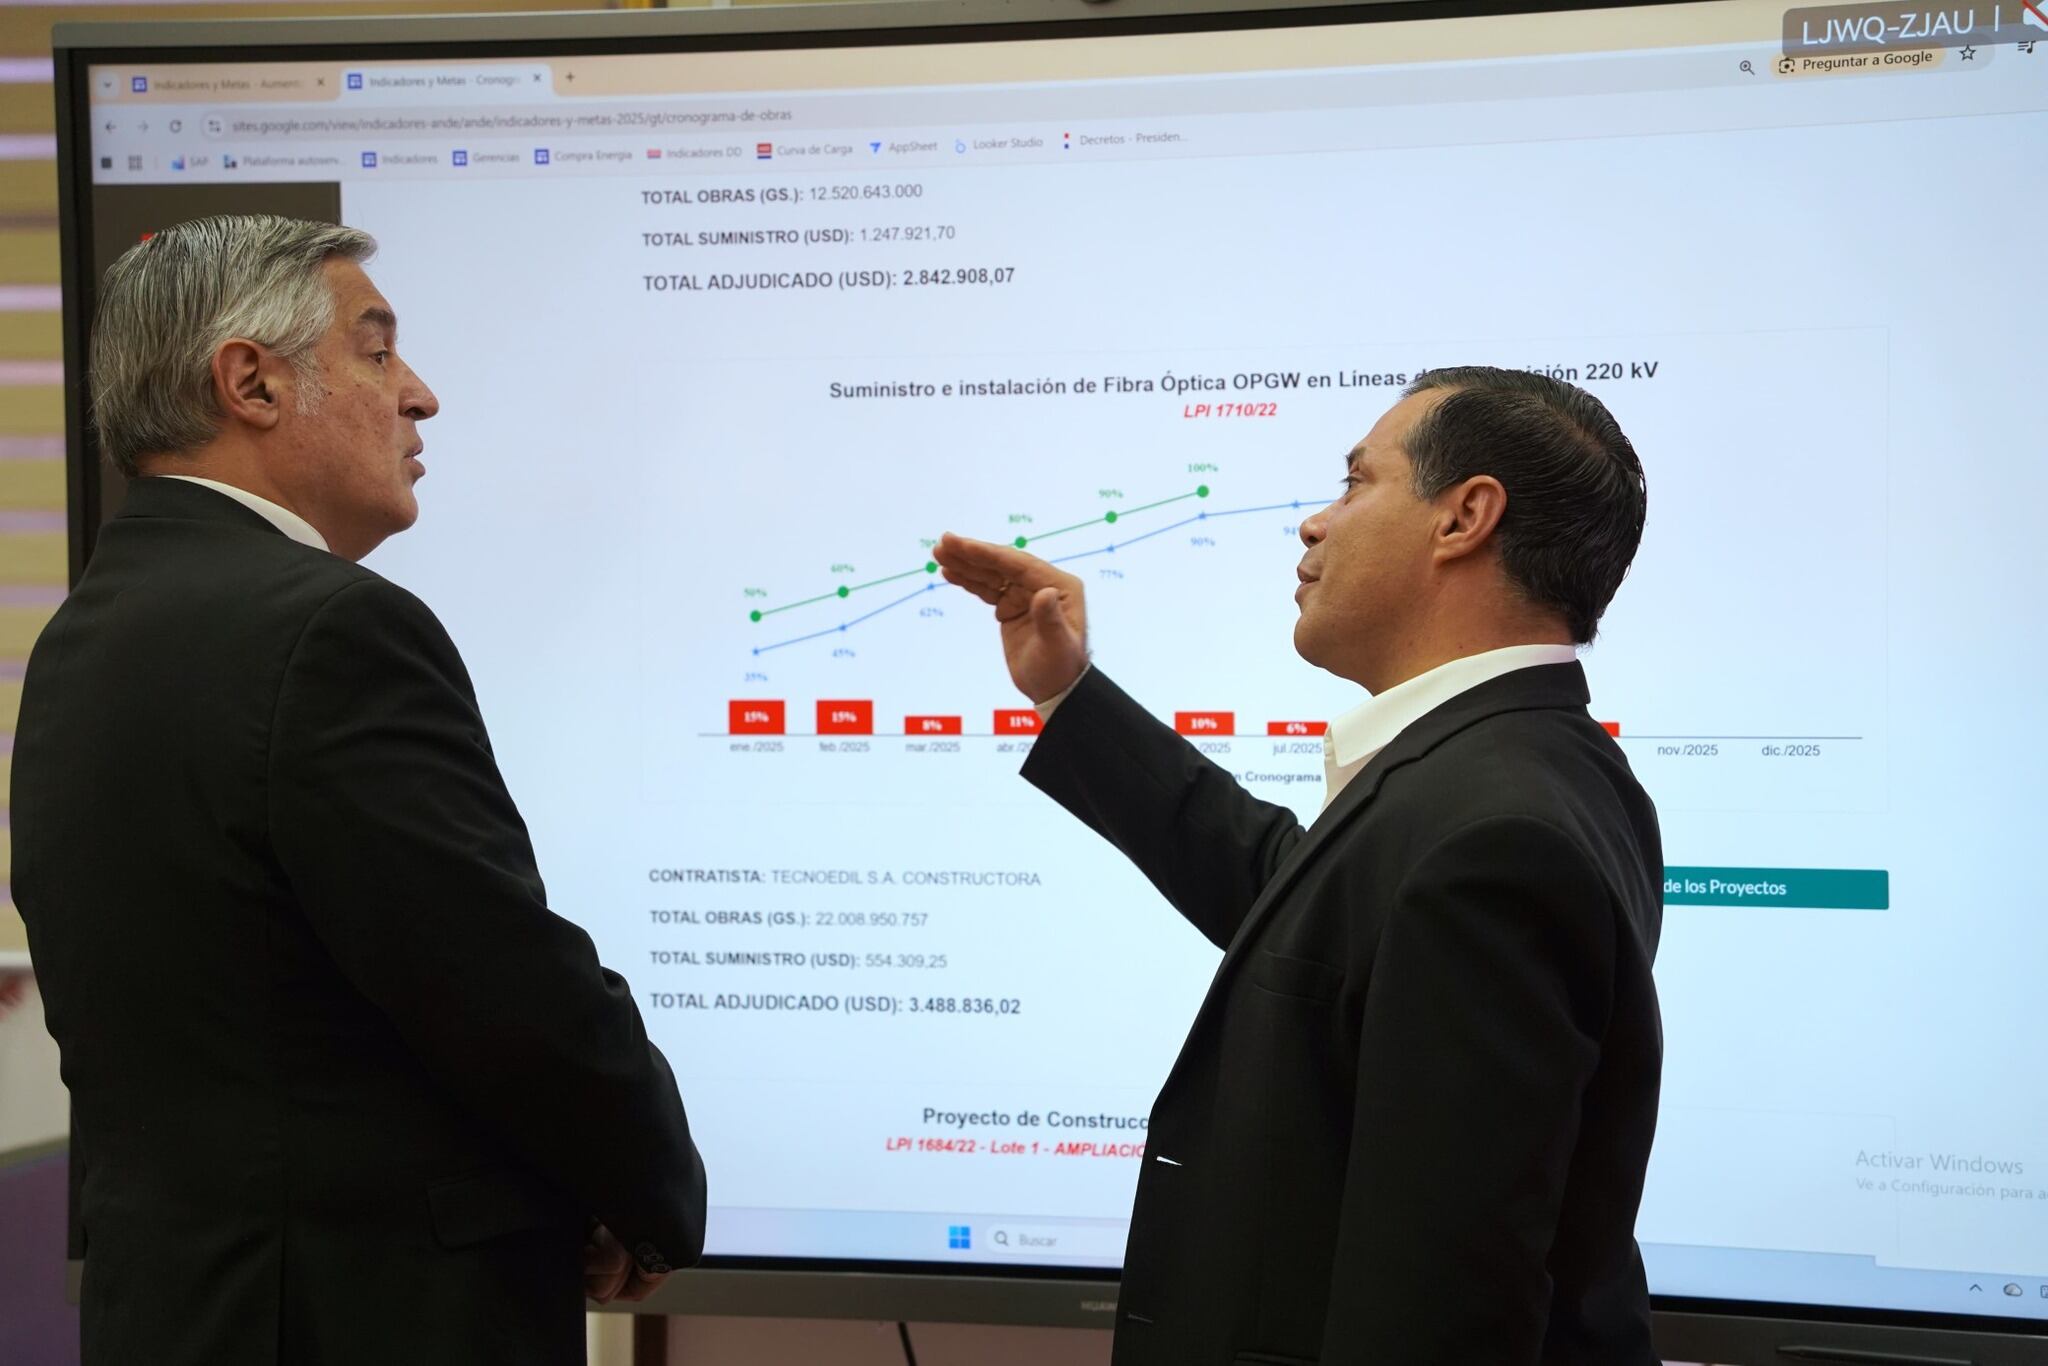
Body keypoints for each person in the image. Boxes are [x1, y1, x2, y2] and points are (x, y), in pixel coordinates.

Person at [11, 216, 704, 1366]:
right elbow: (495, 978)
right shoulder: (331, 629)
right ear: (251, 383)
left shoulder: (84, 635)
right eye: (376, 352)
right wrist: (647, 1189)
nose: (419, 394)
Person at [934, 367, 1662, 1366]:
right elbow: (1298, 903)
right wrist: (1070, 693)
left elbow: (1440, 1310)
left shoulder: (1493, 833)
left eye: (1356, 483)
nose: (1315, 522)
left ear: (1464, 517)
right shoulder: (1522, 765)